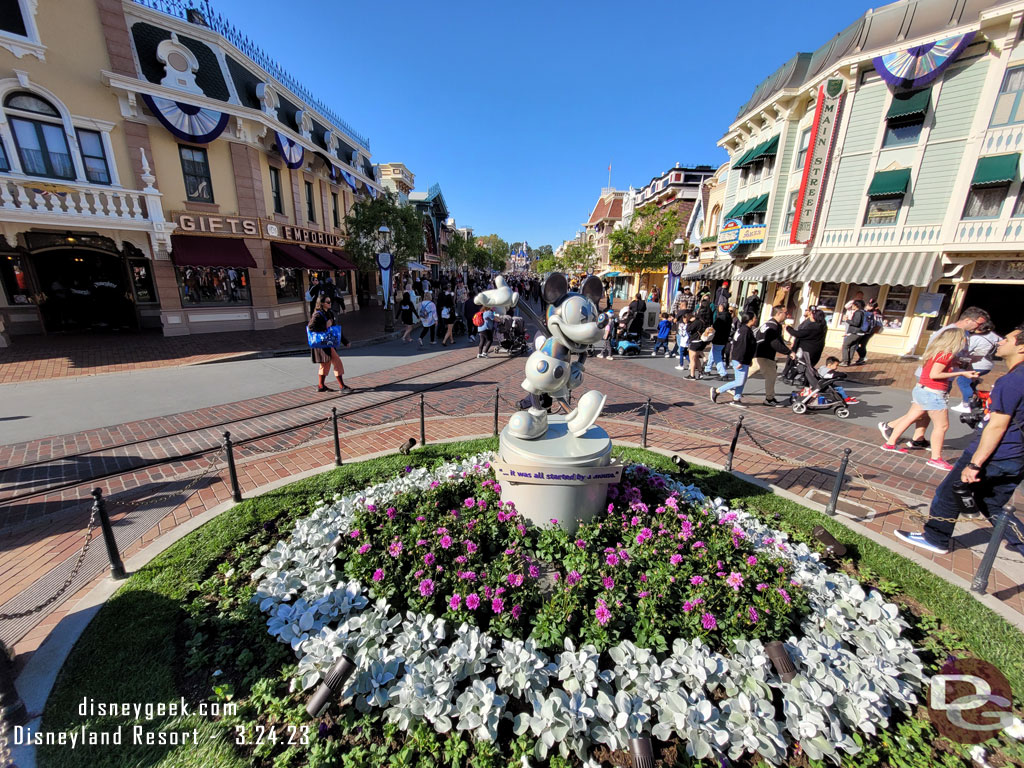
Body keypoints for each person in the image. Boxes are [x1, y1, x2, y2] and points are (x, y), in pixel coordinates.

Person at [895, 323, 1024, 556]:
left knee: (948, 493)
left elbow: (997, 426)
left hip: (995, 453)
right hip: (1016, 455)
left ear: (1021, 348)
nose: (1000, 341)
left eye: (1007, 339)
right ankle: (1021, 542)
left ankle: (935, 538)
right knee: (993, 504)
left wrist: (975, 463)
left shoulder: (1013, 380)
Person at [878, 327, 979, 470]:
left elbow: (935, 368)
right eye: (964, 339)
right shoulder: (946, 354)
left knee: (910, 417)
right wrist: (963, 374)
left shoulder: (937, 351)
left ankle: (890, 443)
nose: (965, 342)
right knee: (942, 426)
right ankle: (936, 458)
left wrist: (956, 364)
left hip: (922, 389)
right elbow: (935, 374)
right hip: (933, 392)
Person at [901, 307, 992, 449]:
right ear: (968, 320)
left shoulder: (965, 333)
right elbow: (935, 360)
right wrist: (961, 371)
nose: (980, 327)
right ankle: (891, 428)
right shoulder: (949, 333)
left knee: (922, 412)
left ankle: (916, 438)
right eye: (978, 324)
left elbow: (949, 358)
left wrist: (964, 365)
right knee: (928, 416)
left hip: (941, 379)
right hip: (933, 381)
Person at [951, 322, 1002, 413]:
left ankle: (966, 405)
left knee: (963, 381)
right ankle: (975, 403)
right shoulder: (994, 336)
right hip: (988, 365)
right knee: (971, 383)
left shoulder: (976, 338)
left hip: (977, 363)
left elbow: (966, 350)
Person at [711, 311, 757, 407]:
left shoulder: (744, 329)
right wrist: (741, 360)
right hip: (740, 359)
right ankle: (717, 391)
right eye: (755, 318)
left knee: (742, 380)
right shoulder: (745, 331)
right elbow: (741, 347)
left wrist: (748, 360)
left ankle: (737, 398)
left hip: (743, 359)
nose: (756, 319)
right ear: (750, 320)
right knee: (739, 381)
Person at [307, 295, 352, 393]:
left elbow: (336, 330)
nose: (330, 303)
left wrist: (345, 341)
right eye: (328, 302)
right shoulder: (317, 315)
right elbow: (310, 327)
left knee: (325, 364)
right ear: (322, 303)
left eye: (330, 301)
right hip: (322, 345)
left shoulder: (330, 313)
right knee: (337, 362)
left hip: (328, 342)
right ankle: (342, 386)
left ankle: (321, 386)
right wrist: (325, 326)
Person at [749, 305, 791, 407]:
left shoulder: (771, 324)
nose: (787, 315)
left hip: (760, 353)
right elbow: (775, 343)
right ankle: (769, 398)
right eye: (785, 313)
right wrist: (789, 352)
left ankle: (731, 387)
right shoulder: (773, 326)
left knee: (748, 372)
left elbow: (779, 341)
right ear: (779, 313)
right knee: (771, 376)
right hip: (764, 354)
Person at [706, 304, 732, 378]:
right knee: (712, 353)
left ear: (722, 308)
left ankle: (723, 373)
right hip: (723, 339)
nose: (718, 308)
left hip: (718, 339)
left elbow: (715, 327)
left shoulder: (721, 317)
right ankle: (707, 369)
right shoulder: (728, 316)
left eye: (719, 307)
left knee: (717, 356)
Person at [841, 299, 870, 366]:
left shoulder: (858, 312)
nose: (852, 306)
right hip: (860, 333)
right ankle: (849, 360)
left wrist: (847, 320)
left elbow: (856, 323)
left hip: (855, 332)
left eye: (853, 305)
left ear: (857, 305)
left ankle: (845, 361)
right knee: (852, 346)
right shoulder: (863, 312)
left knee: (845, 345)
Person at [686, 313, 711, 380]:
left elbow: (688, 329)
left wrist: (689, 322)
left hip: (695, 341)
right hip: (702, 341)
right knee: (696, 358)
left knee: (692, 359)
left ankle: (692, 375)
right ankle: (700, 373)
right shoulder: (705, 322)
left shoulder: (697, 322)